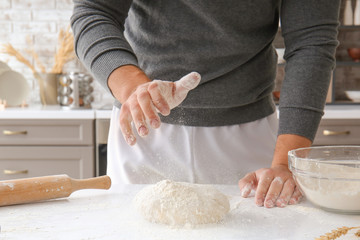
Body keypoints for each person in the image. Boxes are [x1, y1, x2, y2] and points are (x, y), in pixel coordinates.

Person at [71, 0, 340, 208]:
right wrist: (131, 87)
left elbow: (311, 42)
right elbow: (94, 12)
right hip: (143, 127)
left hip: (249, 139)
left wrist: (284, 164)